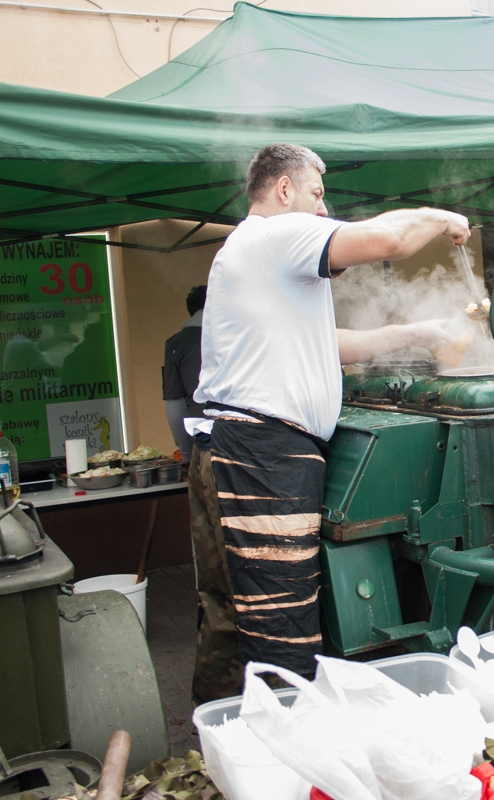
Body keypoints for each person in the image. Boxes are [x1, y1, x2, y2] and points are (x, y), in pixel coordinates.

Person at [187, 142, 468, 702]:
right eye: (317, 193)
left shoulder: (255, 255)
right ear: (284, 190)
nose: (324, 208)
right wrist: (442, 218)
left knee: (239, 615)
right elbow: (389, 239)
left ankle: (233, 739)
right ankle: (282, 751)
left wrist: (424, 330)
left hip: (253, 448)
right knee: (279, 626)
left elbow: (333, 344)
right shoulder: (273, 234)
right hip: (263, 454)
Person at [163, 284, 207, 460]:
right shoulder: (242, 335)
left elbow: (175, 407)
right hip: (251, 441)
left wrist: (187, 455)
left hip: (206, 441)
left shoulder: (177, 344)